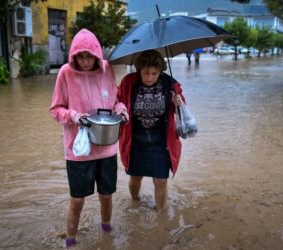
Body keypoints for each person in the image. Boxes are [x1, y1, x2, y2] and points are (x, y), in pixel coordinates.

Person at [49, 28, 128, 248]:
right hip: (79, 151)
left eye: (89, 56)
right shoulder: (65, 72)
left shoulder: (107, 70)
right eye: (80, 56)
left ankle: (106, 232)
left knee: (106, 195)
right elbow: (55, 109)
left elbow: (115, 102)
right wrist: (74, 116)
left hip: (107, 148)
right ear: (74, 56)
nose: (85, 61)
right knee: (77, 200)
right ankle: (70, 240)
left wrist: (122, 111)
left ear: (97, 54)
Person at [117, 49, 185, 212]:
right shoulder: (128, 82)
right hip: (135, 140)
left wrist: (178, 101)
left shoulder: (170, 84)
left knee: (161, 181)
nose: (149, 78)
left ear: (160, 71)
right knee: (135, 176)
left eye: (154, 74)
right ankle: (135, 201)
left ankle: (162, 213)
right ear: (139, 70)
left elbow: (182, 105)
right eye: (145, 73)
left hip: (161, 141)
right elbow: (117, 100)